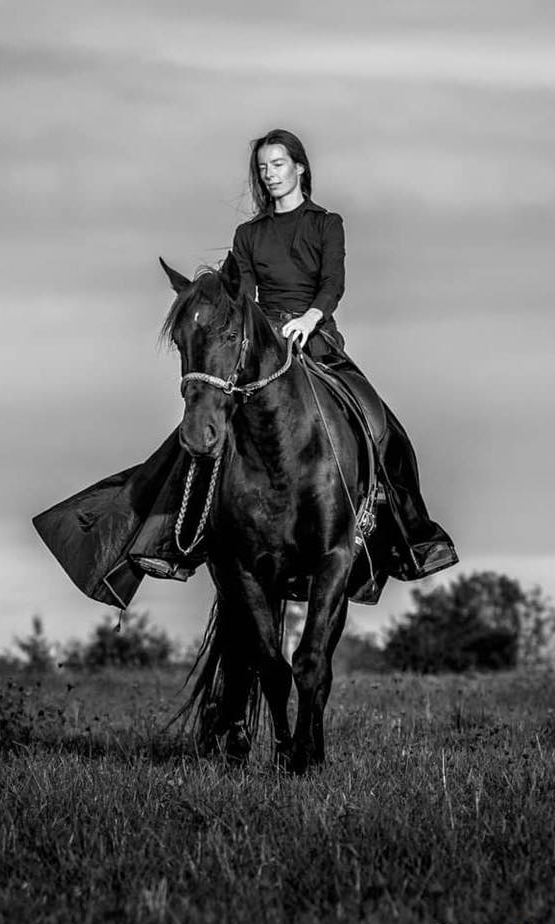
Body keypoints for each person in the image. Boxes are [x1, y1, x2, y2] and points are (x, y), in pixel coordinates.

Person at [132, 128, 458, 583]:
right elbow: (243, 296)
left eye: (278, 164)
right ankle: (172, 542)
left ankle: (417, 539)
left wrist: (308, 319)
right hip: (263, 343)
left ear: (300, 167)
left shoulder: (327, 224)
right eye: (263, 168)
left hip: (317, 338)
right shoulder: (248, 235)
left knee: (383, 425)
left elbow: (333, 283)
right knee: (202, 424)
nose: (270, 175)